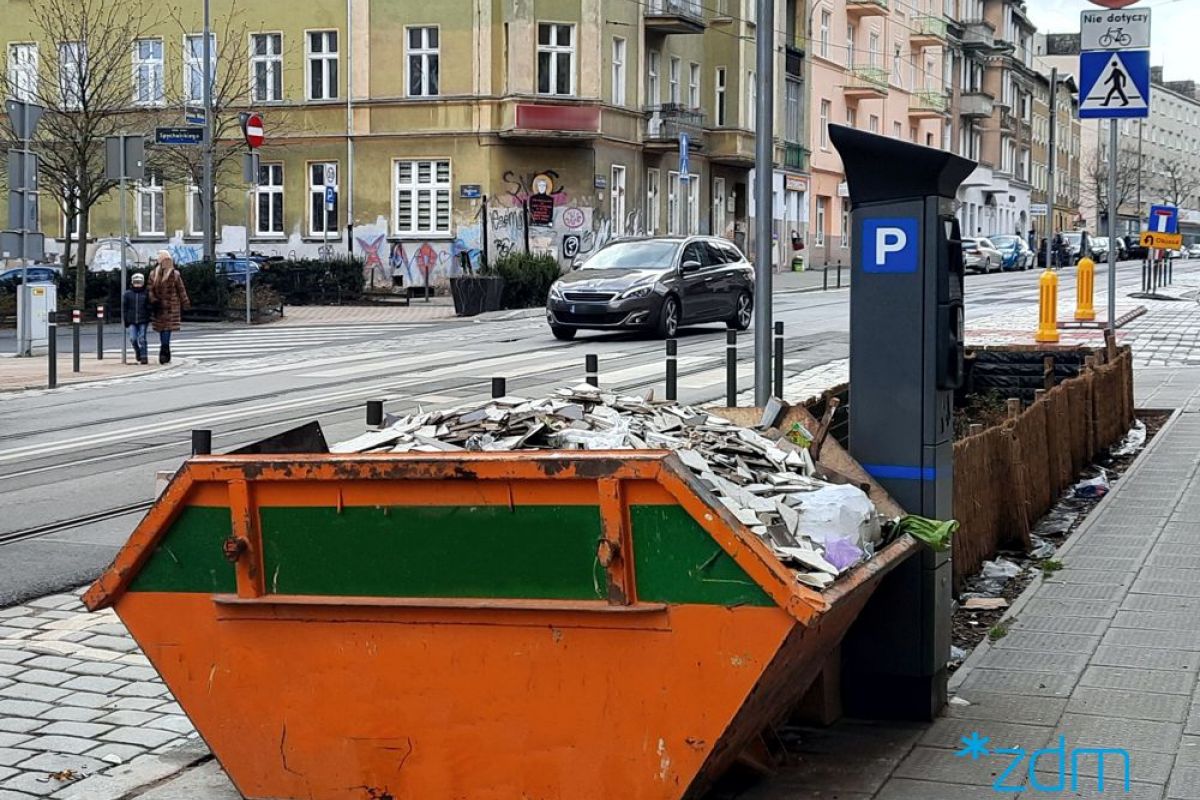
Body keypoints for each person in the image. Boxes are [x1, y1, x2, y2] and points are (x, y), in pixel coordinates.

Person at [149, 250, 189, 364]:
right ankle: (165, 350)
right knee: (162, 330)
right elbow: (150, 289)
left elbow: (181, 289)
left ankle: (164, 351)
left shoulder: (174, 274)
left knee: (166, 330)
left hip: (171, 308)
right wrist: (153, 300)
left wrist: (185, 302)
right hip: (159, 308)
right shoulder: (154, 274)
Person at [122, 273, 151, 364]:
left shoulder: (146, 293)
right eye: (136, 282)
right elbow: (125, 308)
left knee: (142, 338)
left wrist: (149, 312)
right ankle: (137, 350)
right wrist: (126, 319)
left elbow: (149, 305)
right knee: (133, 338)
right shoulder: (128, 294)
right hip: (132, 320)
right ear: (132, 283)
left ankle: (144, 356)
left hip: (143, 319)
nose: (137, 284)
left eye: (139, 282)